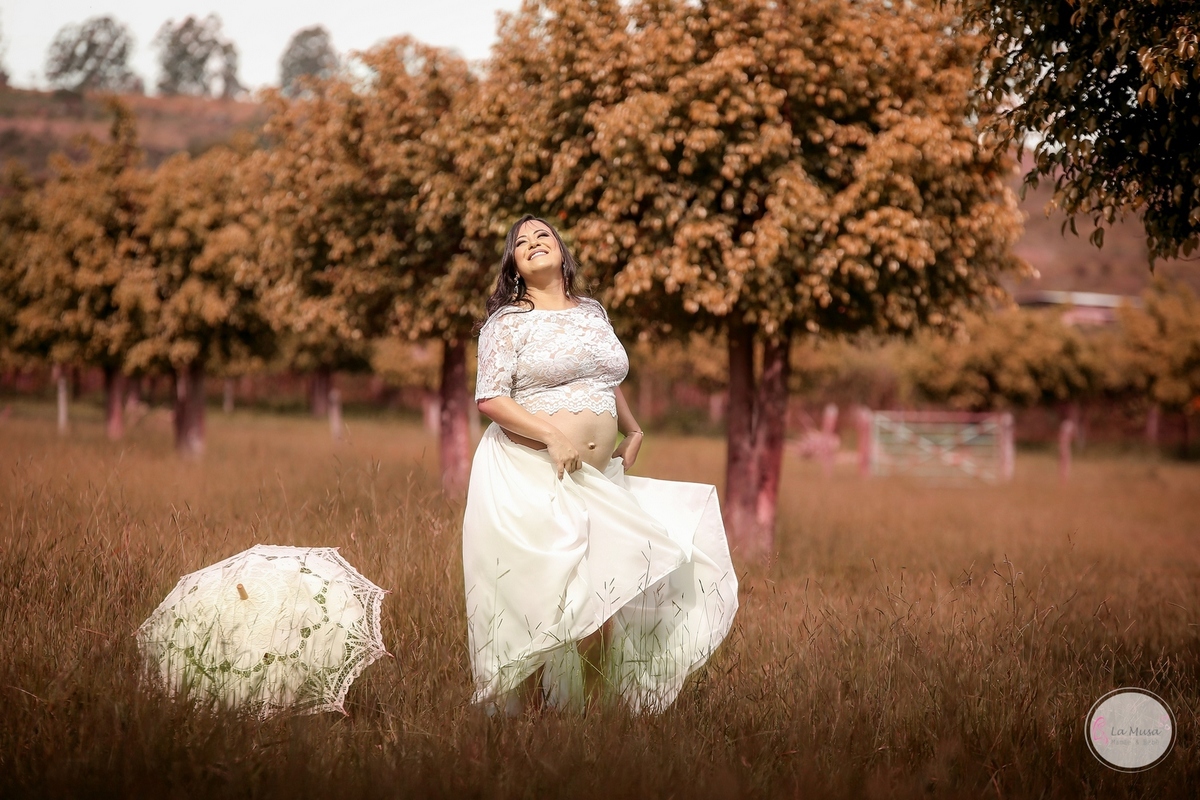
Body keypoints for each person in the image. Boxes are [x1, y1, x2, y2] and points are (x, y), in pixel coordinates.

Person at [462, 214, 738, 715]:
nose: (533, 243)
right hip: (531, 475)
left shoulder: (592, 312)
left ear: (562, 253)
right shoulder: (507, 324)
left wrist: (632, 429)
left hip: (598, 477)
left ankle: (589, 727)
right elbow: (490, 399)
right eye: (521, 242)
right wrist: (550, 436)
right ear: (515, 268)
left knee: (603, 602)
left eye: (542, 235)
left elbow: (603, 377)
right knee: (542, 606)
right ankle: (521, 726)